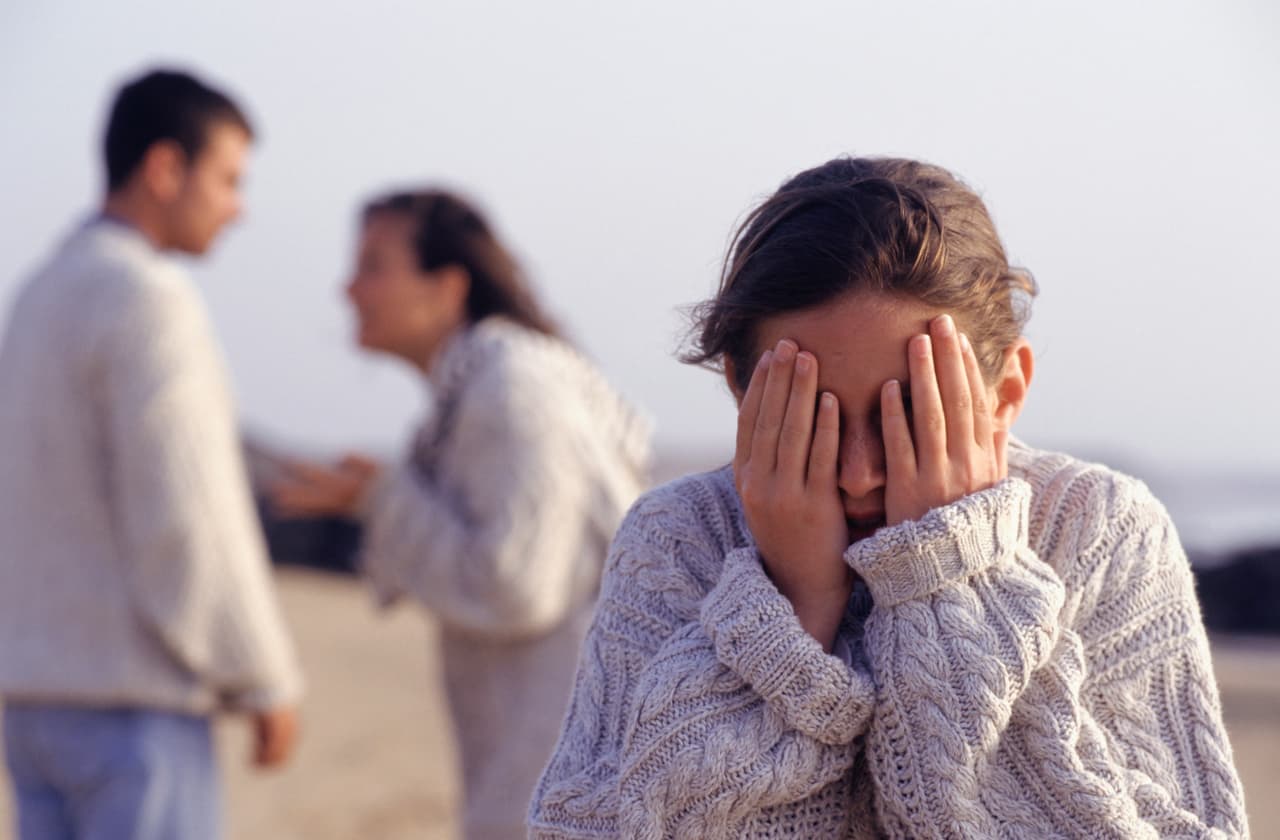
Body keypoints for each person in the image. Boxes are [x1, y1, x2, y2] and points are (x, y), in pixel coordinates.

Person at [527, 156, 1250, 838]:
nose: (863, 471)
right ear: (742, 389)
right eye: (819, 417)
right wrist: (790, 612)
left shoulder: (1099, 530)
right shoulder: (680, 537)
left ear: (1007, 392)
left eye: (909, 413)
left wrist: (953, 581)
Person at [269, 189, 650, 840]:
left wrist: (385, 499)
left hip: (565, 775)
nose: (348, 289)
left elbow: (516, 585)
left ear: (447, 287)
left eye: (373, 266)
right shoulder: (480, 387)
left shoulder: (512, 386)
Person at [0, 69, 303, 840]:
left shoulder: (38, 293)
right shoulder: (148, 297)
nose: (238, 208)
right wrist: (263, 675)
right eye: (229, 179)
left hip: (32, 704)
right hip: (131, 717)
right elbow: (187, 516)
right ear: (166, 168)